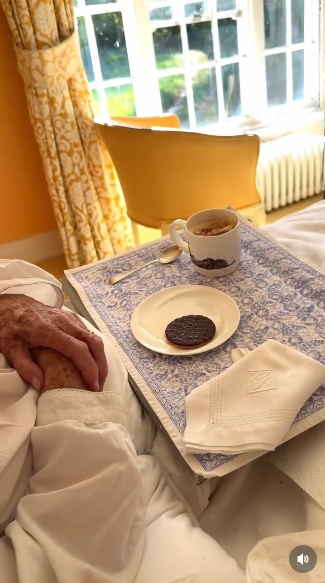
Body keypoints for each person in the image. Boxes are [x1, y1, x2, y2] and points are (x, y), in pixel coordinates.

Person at [0, 259, 245, 583]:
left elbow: (26, 281)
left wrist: (10, 308)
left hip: (141, 412)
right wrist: (74, 407)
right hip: (92, 513)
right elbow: (75, 549)